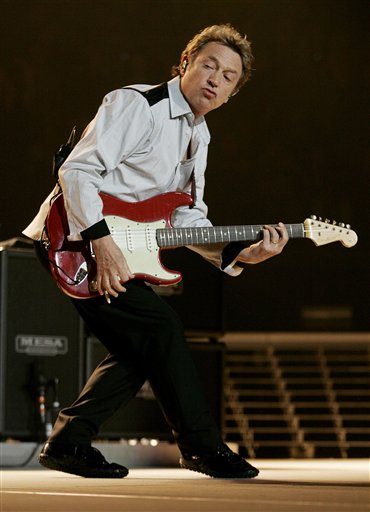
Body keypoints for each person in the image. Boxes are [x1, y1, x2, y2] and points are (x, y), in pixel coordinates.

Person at [24, 23, 288, 479]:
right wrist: (101, 243)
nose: (215, 79)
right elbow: (78, 171)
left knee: (143, 345)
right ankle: (201, 447)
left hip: (120, 245)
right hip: (74, 238)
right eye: (209, 65)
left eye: (228, 77)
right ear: (185, 63)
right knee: (161, 328)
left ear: (232, 94)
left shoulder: (198, 137)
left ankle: (70, 440)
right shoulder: (136, 104)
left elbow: (185, 219)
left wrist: (240, 255)